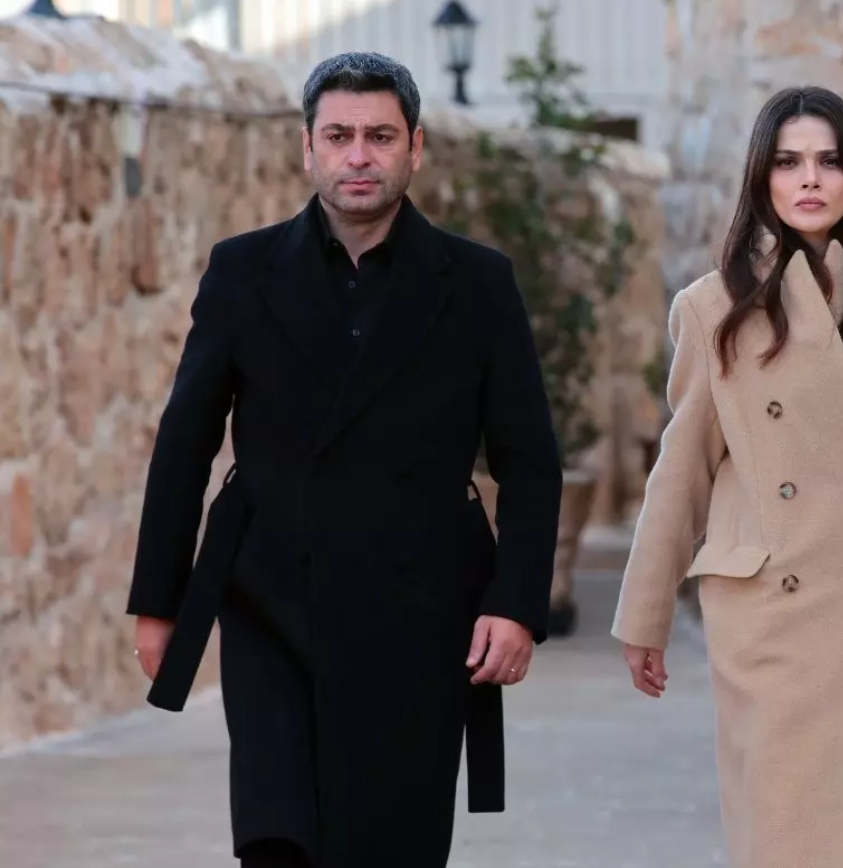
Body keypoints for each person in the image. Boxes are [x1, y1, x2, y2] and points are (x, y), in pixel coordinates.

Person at [125, 52, 563, 868]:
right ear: (307, 149)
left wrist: (515, 605)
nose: (358, 155)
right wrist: (160, 601)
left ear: (415, 148)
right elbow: (185, 441)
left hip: (423, 609)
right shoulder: (241, 270)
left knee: (389, 842)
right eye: (338, 136)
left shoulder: (477, 283)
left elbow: (529, 459)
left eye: (379, 136)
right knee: (276, 835)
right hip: (269, 598)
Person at [612, 85, 843, 868]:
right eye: (788, 162)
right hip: (770, 610)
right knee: (784, 832)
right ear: (762, 178)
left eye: (828, 161)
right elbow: (681, 471)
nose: (809, 179)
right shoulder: (712, 308)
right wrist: (644, 613)